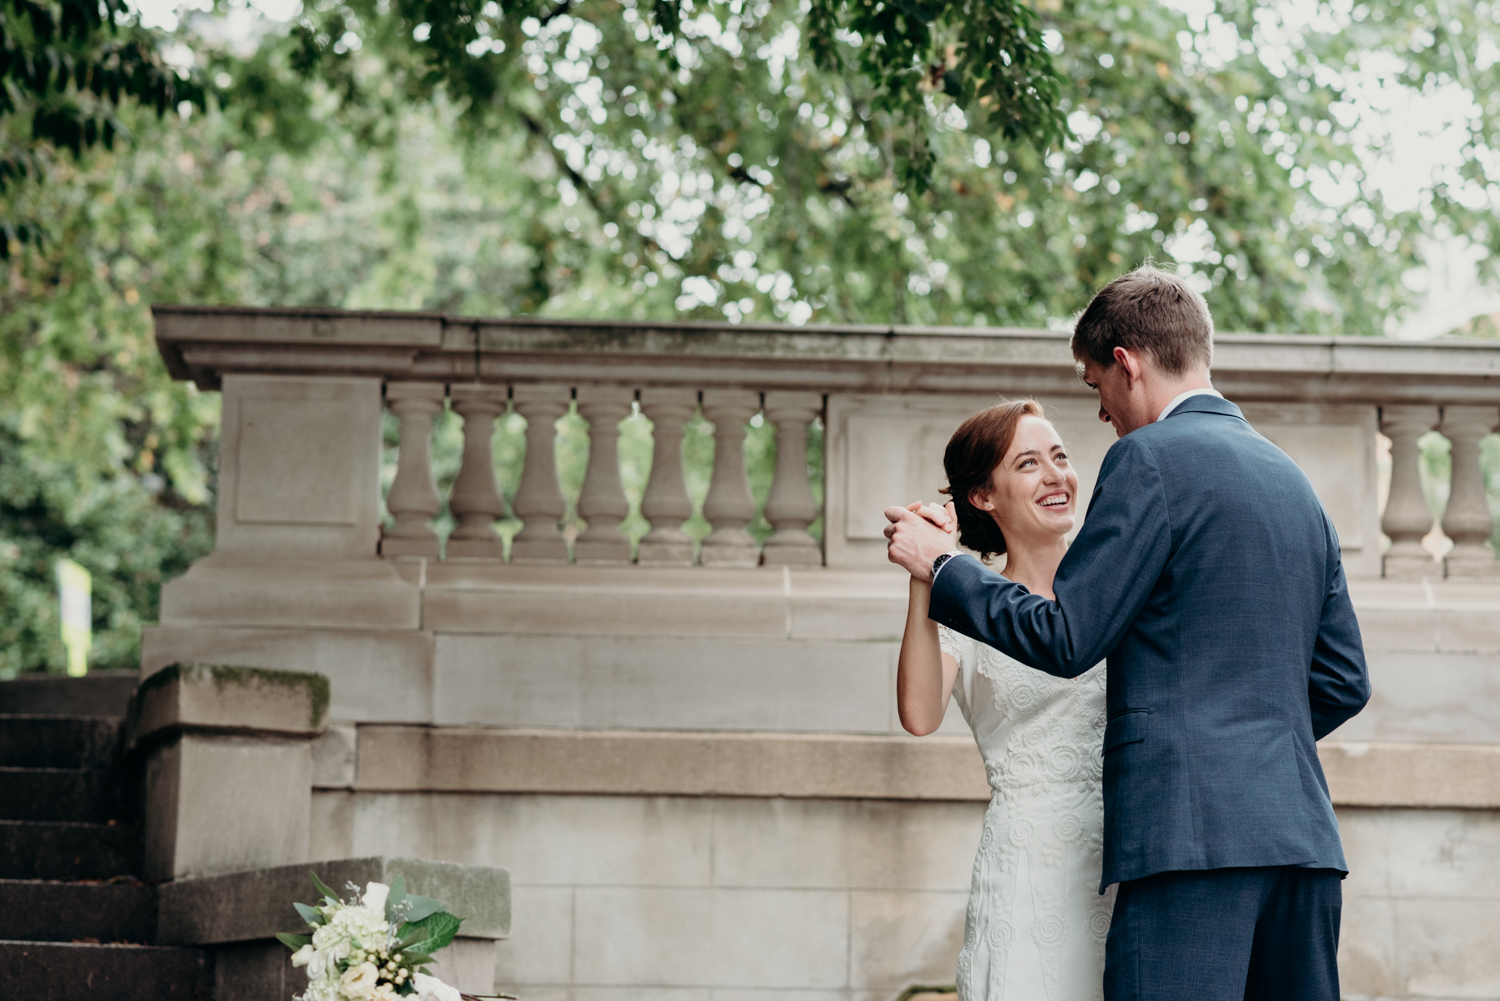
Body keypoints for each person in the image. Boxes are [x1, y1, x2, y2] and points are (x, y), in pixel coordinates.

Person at [884, 265, 1371, 1001]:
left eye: (1094, 387)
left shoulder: (1148, 459)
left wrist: (943, 565)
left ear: (1126, 363)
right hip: (1301, 844)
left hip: (1186, 845)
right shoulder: (1291, 480)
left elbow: (1071, 637)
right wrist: (1246, 738)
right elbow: (1343, 681)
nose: (1104, 415)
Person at [893, 399, 1113, 1001]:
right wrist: (927, 575)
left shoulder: (1114, 589)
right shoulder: (969, 606)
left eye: (1061, 457)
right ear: (983, 496)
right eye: (1028, 464)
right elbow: (919, 715)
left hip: (1126, 860)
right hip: (1028, 859)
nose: (1056, 475)